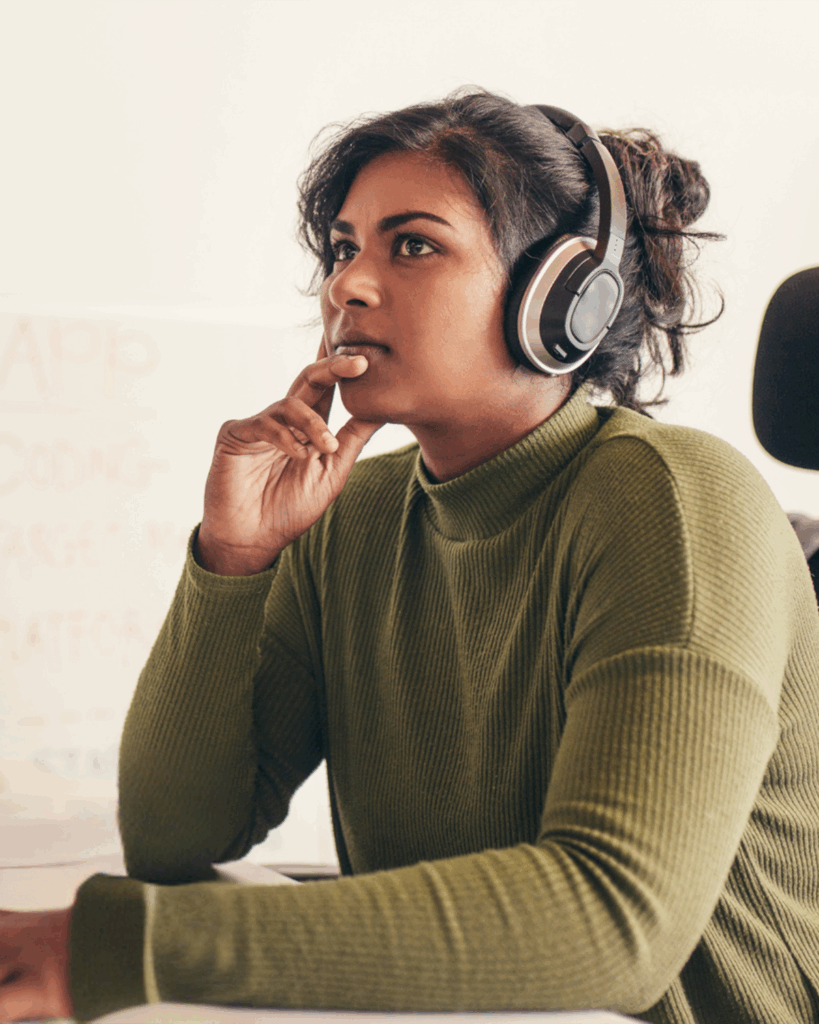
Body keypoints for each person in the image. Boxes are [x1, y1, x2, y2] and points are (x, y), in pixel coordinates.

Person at [2, 88, 819, 1024]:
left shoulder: (672, 499)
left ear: (561, 300)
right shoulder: (354, 515)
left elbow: (615, 927)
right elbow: (175, 837)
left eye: (414, 244)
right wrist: (233, 561)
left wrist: (114, 950)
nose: (346, 285)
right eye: (344, 247)